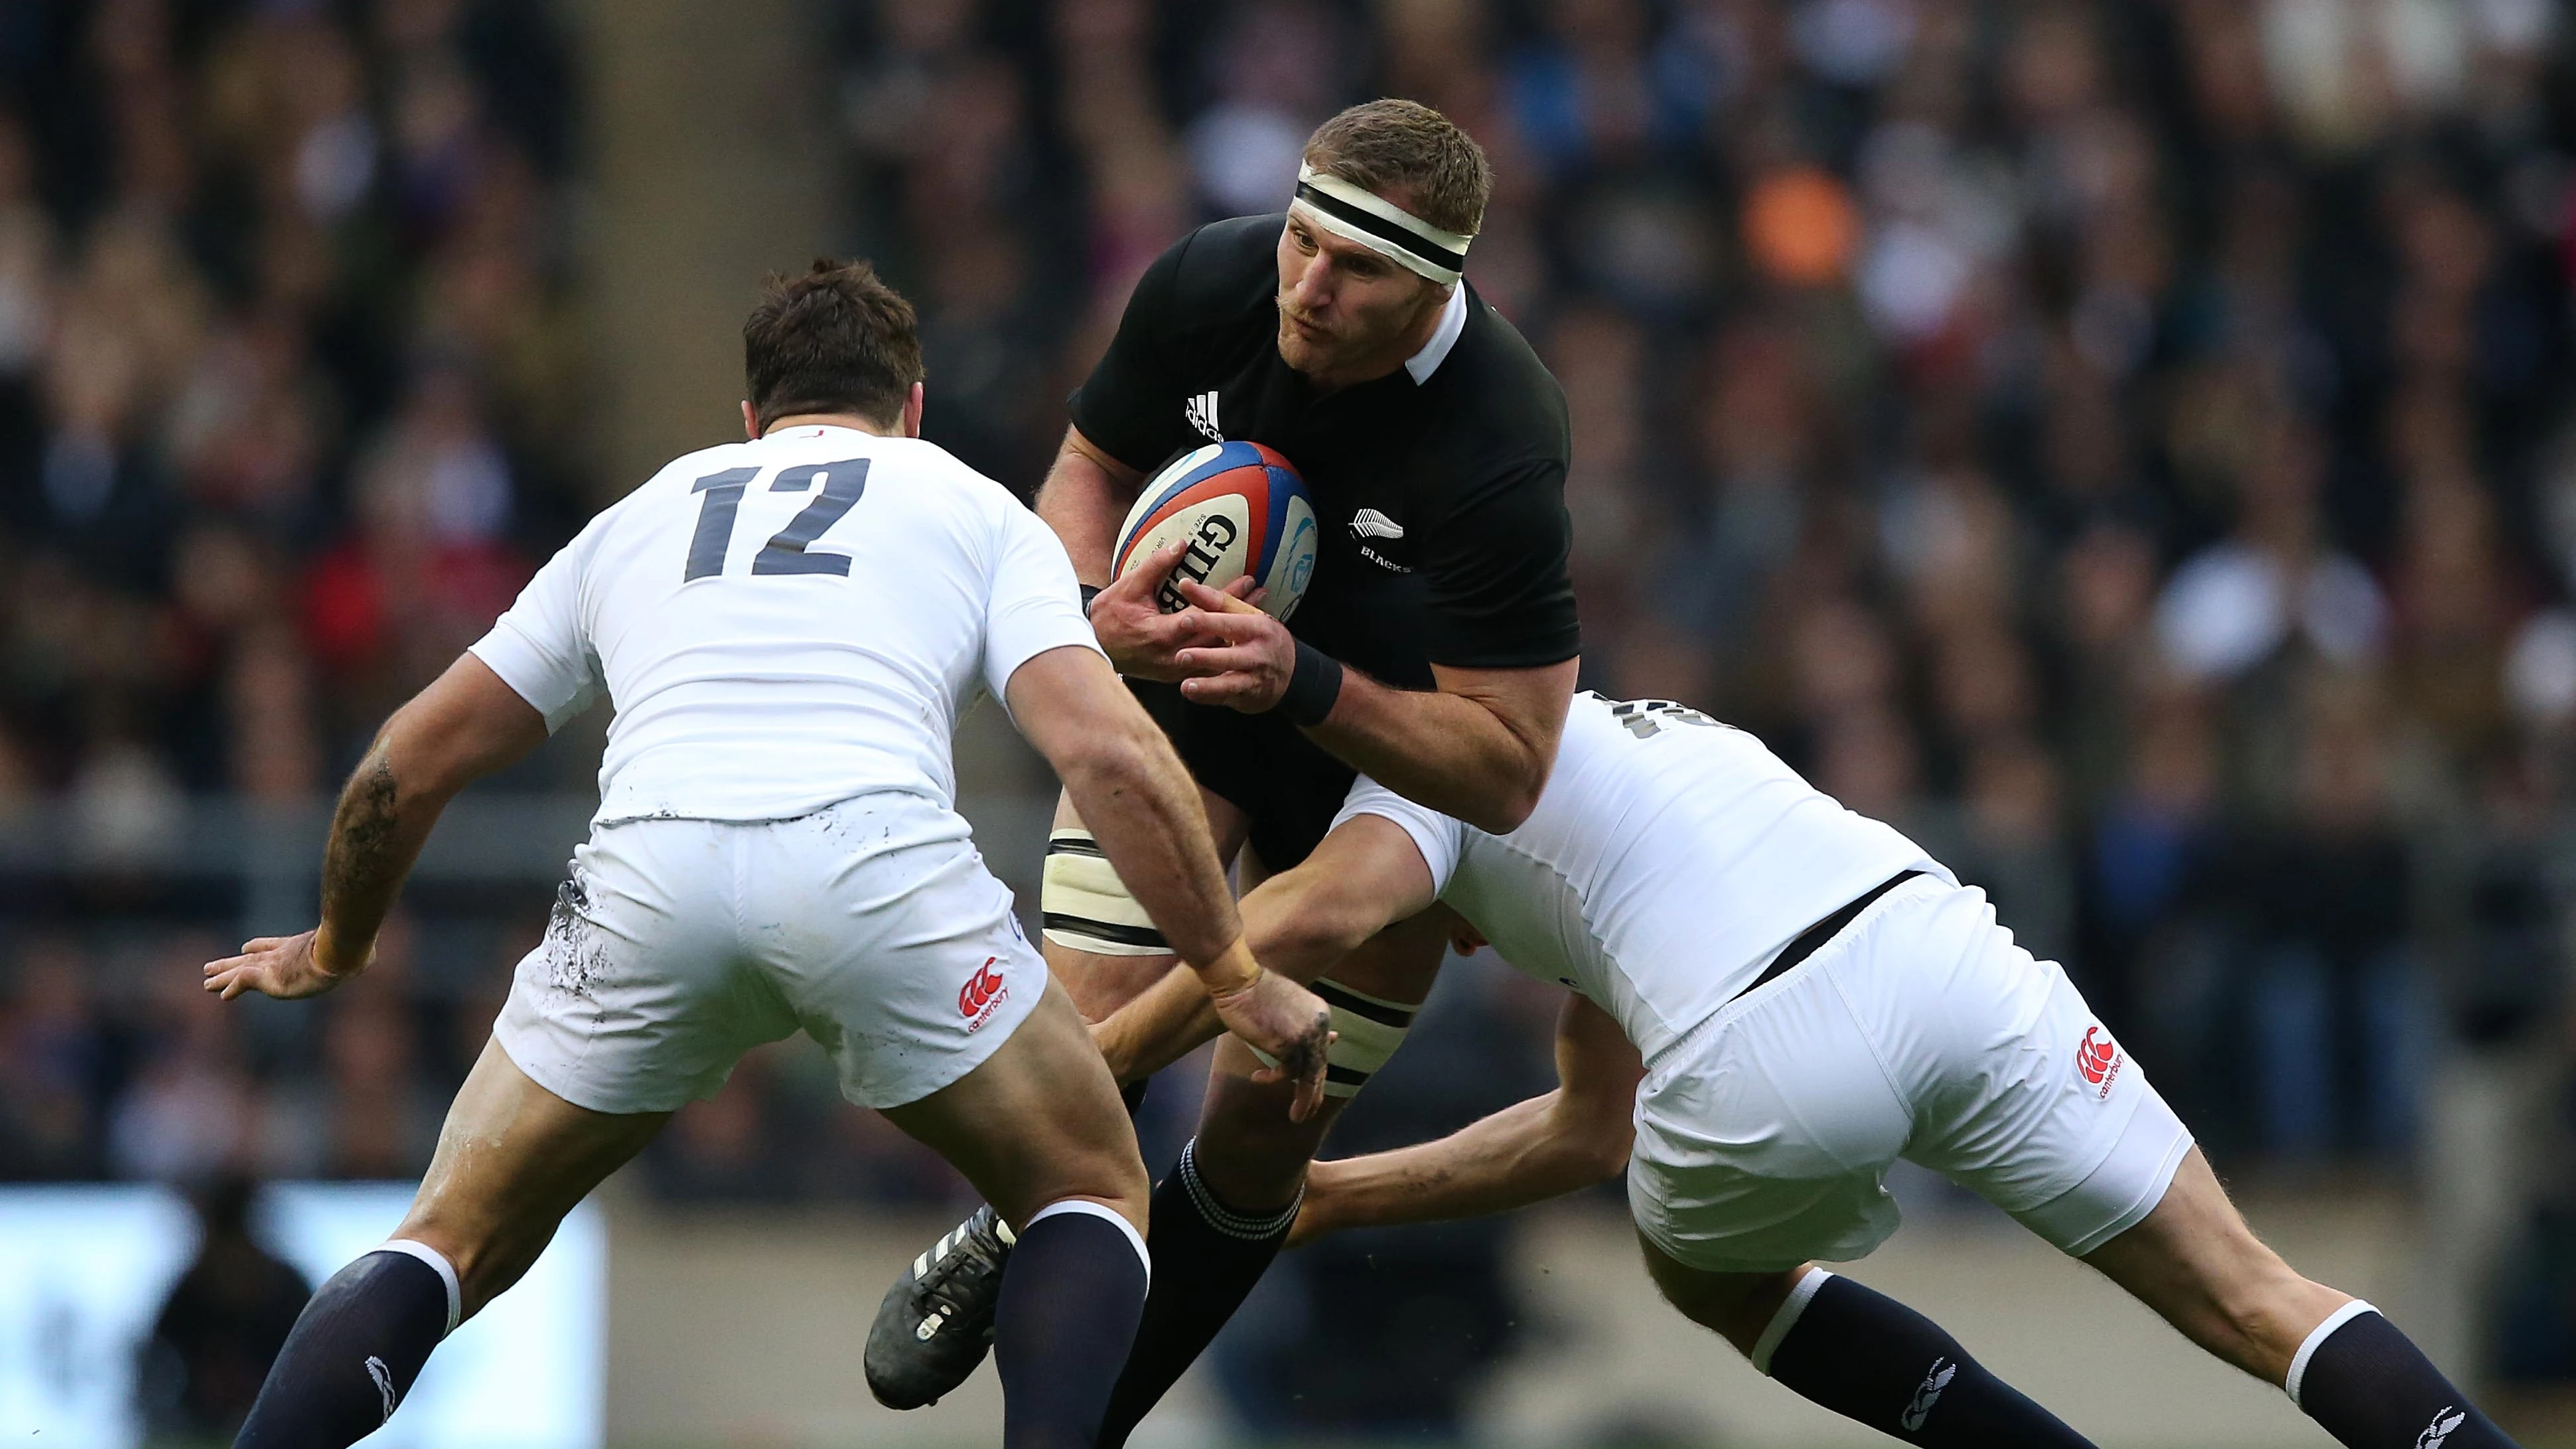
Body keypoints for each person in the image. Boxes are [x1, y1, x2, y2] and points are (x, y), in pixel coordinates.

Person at [197, 260, 1332, 1449]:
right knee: (1091, 1188)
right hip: (873, 866)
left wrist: (338, 944)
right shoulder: (971, 503)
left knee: (444, 1237)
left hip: (648, 878)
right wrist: (1231, 972)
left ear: (749, 420)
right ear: (916, 406)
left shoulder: (635, 521)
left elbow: (403, 763)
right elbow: (1111, 757)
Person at [1096, 691, 2520, 1449]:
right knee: (2259, 1294)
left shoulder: (1417, 780)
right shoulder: (1642, 746)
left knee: (1711, 1275)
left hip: (1759, 1039)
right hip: (1952, 955)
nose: (1454, 956)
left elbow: (1312, 915)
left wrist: (1100, 1060)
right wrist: (1330, 1199)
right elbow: (1593, 1129)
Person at [866, 96, 1583, 1438]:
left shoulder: (1502, 436)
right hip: (1190, 708)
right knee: (1086, 1056)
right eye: (1303, 241)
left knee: (1261, 1132)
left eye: (1357, 268)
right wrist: (1091, 604)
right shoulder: (1209, 278)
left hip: (1378, 786)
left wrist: (1301, 675)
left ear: (1438, 286)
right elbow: (1087, 465)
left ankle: (1098, 1411)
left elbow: (1510, 767)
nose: (1309, 285)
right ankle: (1028, 1343)